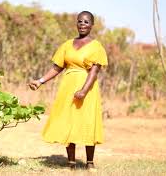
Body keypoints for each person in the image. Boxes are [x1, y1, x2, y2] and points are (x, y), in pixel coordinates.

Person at [28, 11, 108, 170]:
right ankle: (71, 162)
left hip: (87, 89)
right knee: (68, 122)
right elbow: (57, 67)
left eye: (86, 22)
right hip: (68, 88)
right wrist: (40, 81)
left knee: (87, 122)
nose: (82, 24)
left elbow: (94, 71)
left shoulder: (96, 46)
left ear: (92, 25)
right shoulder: (67, 45)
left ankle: (89, 162)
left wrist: (84, 91)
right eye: (80, 21)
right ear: (76, 24)